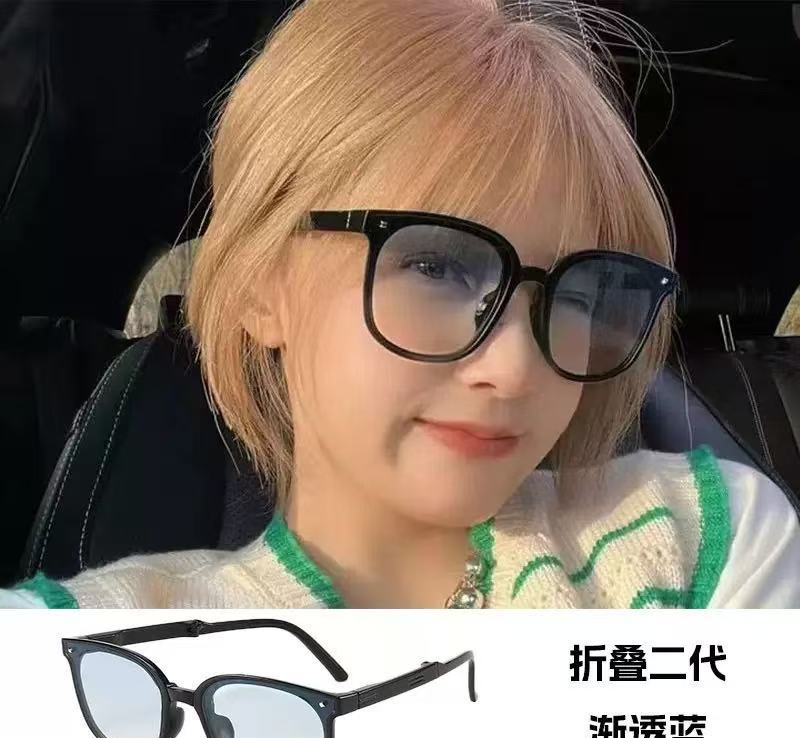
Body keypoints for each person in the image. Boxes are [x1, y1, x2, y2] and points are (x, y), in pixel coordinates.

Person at [5, 0, 799, 609]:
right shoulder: (100, 639)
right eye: (437, 265)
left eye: (577, 290)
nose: (517, 369)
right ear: (259, 282)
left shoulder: (697, 540)